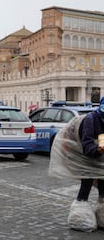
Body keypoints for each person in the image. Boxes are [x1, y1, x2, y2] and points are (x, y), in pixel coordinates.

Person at [49, 97, 104, 231]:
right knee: (86, 184)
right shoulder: (90, 120)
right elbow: (87, 145)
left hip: (99, 160)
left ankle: (101, 213)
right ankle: (80, 213)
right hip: (85, 158)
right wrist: (97, 149)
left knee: (103, 185)